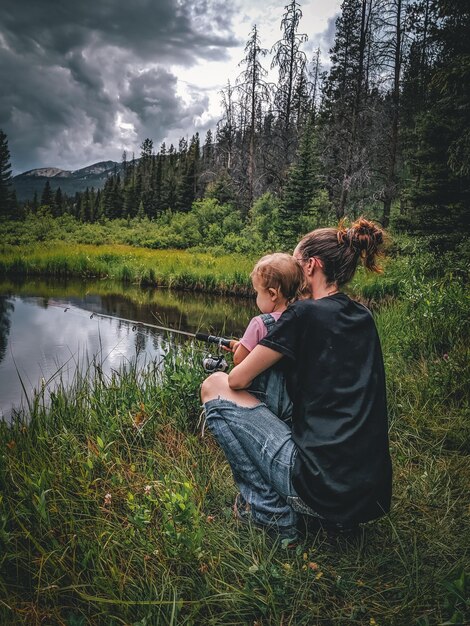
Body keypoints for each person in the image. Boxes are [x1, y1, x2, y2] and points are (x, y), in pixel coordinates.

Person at [200, 218, 392, 541]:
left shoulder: (302, 316)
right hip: (368, 495)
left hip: (317, 488)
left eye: (295, 263)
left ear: (312, 267)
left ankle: (271, 515)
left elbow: (237, 379)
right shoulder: (364, 317)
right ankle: (336, 523)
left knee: (214, 385)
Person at [229, 253, 306, 422]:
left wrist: (239, 348)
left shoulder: (260, 324)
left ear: (272, 294)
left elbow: (239, 360)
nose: (256, 298)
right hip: (294, 407)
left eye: (257, 293)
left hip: (264, 404)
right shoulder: (302, 320)